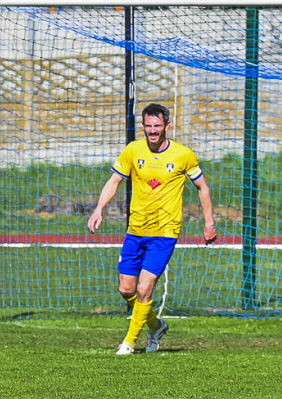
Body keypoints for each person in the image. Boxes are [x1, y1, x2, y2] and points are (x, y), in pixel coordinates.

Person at [87, 103, 217, 355]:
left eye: (157, 126)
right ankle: (156, 326)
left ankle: (128, 343)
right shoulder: (133, 150)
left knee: (145, 288)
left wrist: (209, 223)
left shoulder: (183, 155)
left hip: (165, 233)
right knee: (126, 289)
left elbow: (203, 188)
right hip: (135, 230)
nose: (152, 131)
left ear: (167, 126)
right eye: (148, 127)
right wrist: (98, 209)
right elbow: (114, 180)